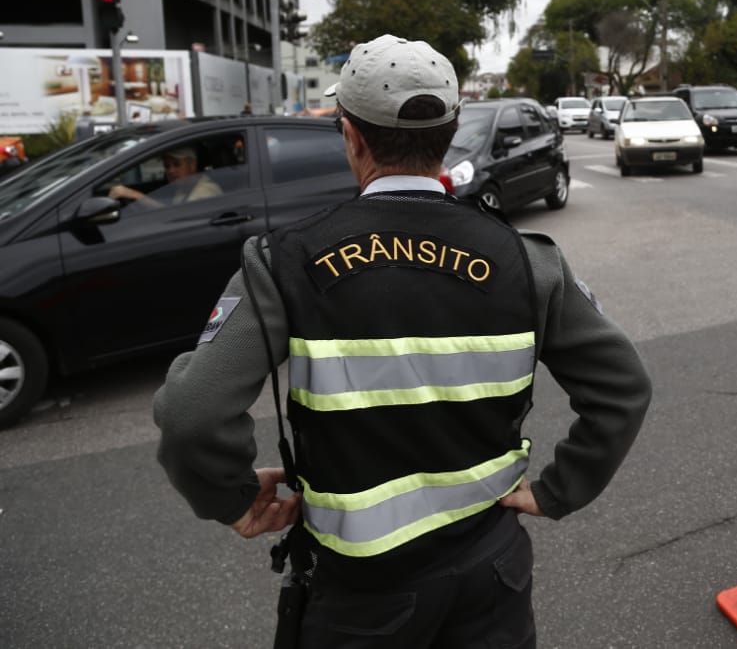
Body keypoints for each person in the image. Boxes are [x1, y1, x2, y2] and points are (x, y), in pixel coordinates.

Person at [153, 34, 651, 648]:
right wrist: (558, 489)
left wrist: (230, 499)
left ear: (352, 136)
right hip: (491, 570)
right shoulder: (529, 262)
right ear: (450, 131)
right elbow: (625, 387)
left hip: (362, 592)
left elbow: (190, 413)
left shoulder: (283, 263)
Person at [109, 146, 222, 207]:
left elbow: (177, 218)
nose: (171, 171)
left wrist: (136, 196)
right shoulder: (183, 188)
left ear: (192, 165)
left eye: (177, 164)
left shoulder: (207, 190)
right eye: (167, 166)